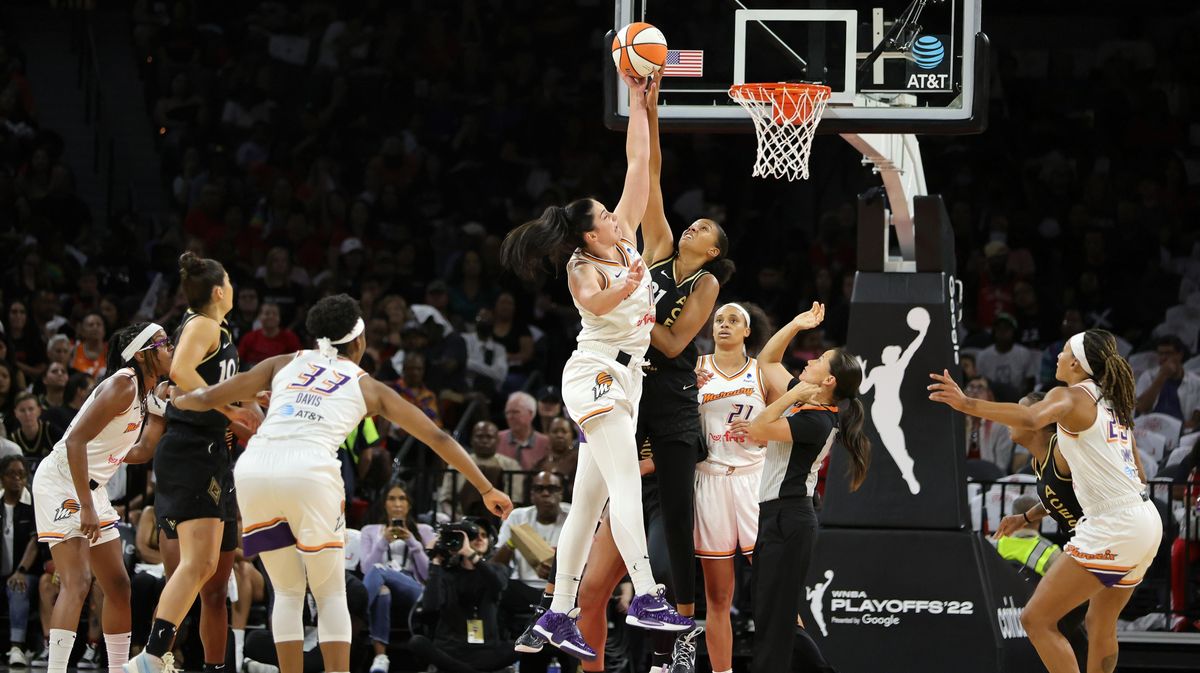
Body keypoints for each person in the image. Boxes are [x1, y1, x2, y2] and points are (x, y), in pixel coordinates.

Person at [159, 293, 513, 673]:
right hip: (309, 473)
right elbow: (438, 438)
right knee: (329, 594)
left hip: (255, 469)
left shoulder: (282, 363)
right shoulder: (368, 386)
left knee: (289, 592)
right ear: (358, 341)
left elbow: (206, 396)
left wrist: (176, 397)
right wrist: (486, 487)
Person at [500, 73, 691, 660]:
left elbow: (639, 165)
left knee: (587, 502)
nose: (616, 214)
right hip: (595, 372)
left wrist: (641, 102)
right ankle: (649, 594)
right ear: (589, 231)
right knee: (625, 484)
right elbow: (593, 304)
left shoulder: (625, 241)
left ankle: (558, 612)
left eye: (613, 213)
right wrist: (628, 285)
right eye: (606, 214)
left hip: (627, 376)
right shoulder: (583, 265)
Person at [929, 329, 1161, 673]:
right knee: (1100, 622)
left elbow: (1031, 418)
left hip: (1114, 523)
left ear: (1078, 364)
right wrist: (1028, 517)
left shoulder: (1070, 395)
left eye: (1065, 350)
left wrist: (967, 404)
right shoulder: (1112, 404)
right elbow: (1139, 472)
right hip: (1144, 519)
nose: (1057, 356)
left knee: (1036, 619)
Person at [623, 78, 737, 671]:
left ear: (714, 251)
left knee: (675, 510)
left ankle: (684, 628)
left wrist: (633, 309)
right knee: (603, 488)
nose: (693, 228)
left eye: (705, 232)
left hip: (669, 392)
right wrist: (650, 105)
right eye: (694, 225)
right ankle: (569, 593)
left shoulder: (707, 283)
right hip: (629, 382)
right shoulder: (661, 245)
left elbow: (671, 342)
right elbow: (655, 177)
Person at [137, 253, 263, 673]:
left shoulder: (221, 331)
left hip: (215, 454)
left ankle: (215, 668)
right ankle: (153, 656)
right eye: (229, 280)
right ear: (217, 291)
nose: (232, 286)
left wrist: (250, 401)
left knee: (216, 587)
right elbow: (182, 370)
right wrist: (228, 409)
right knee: (198, 565)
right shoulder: (202, 323)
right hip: (192, 450)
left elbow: (206, 382)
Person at [33, 322, 174, 673]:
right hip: (63, 481)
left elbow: (138, 452)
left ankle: (117, 669)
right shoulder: (122, 385)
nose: (171, 349)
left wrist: (158, 415)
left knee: (118, 584)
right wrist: (84, 505)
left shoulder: (143, 394)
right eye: (164, 344)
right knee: (77, 582)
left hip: (91, 488)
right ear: (143, 354)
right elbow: (75, 442)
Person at [736, 348, 870, 673]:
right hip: (776, 517)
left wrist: (793, 393)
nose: (808, 361)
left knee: (775, 624)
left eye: (819, 359)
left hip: (790, 519)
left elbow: (756, 428)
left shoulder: (818, 420)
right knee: (774, 616)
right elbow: (767, 360)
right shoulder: (806, 405)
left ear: (828, 380)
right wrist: (797, 323)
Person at [689, 302, 795, 673]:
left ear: (748, 331)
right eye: (718, 319)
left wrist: (764, 435)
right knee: (718, 596)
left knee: (777, 590)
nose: (724, 325)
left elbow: (791, 423)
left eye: (733, 320)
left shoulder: (761, 373)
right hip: (711, 478)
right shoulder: (696, 370)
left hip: (755, 480)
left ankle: (795, 664)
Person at [407, 521, 517, 673]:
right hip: (451, 650)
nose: (478, 539)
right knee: (417, 642)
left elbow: (497, 585)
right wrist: (436, 561)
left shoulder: (498, 569)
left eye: (483, 536)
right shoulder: (445, 573)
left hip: (487, 651)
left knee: (525, 645)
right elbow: (430, 606)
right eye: (472, 537)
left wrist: (470, 554)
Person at [493, 471, 572, 673]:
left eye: (552, 489)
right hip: (523, 589)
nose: (546, 494)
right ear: (531, 495)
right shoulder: (518, 517)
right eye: (539, 489)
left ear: (561, 493)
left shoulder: (573, 516)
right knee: (499, 586)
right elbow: (496, 564)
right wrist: (514, 541)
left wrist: (558, 563)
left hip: (563, 588)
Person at [360, 481, 436, 673]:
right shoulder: (369, 531)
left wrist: (412, 541)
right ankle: (380, 657)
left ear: (409, 504)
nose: (397, 504)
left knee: (378, 570)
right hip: (381, 587)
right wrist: (383, 541)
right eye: (391, 498)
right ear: (384, 503)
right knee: (382, 590)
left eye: (402, 498)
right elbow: (365, 569)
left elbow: (428, 575)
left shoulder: (424, 531)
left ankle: (357, 613)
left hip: (414, 590)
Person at [438, 421, 522, 518]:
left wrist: (504, 518)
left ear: (498, 440)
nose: (484, 440)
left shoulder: (511, 465)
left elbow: (515, 500)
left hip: (499, 517)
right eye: (480, 436)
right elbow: (445, 500)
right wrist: (457, 519)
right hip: (462, 516)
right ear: (471, 440)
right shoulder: (456, 463)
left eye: (489, 437)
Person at [2, 455, 37, 667]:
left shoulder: (32, 505)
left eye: (22, 474)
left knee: (18, 587)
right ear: (2, 478)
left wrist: (21, 570)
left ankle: (17, 647)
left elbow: (35, 542)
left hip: (25, 573)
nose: (17, 479)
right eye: (12, 474)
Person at [1135, 335, 1200, 430]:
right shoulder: (1148, 376)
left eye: (1168, 354)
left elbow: (1195, 422)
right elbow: (1141, 408)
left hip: (1182, 431)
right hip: (1149, 429)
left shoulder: (1196, 382)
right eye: (1160, 354)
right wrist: (1161, 376)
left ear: (1180, 355)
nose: (1164, 358)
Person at [498, 392, 550, 471]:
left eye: (515, 412)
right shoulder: (496, 439)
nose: (510, 417)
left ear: (531, 414)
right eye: (507, 413)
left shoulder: (546, 443)